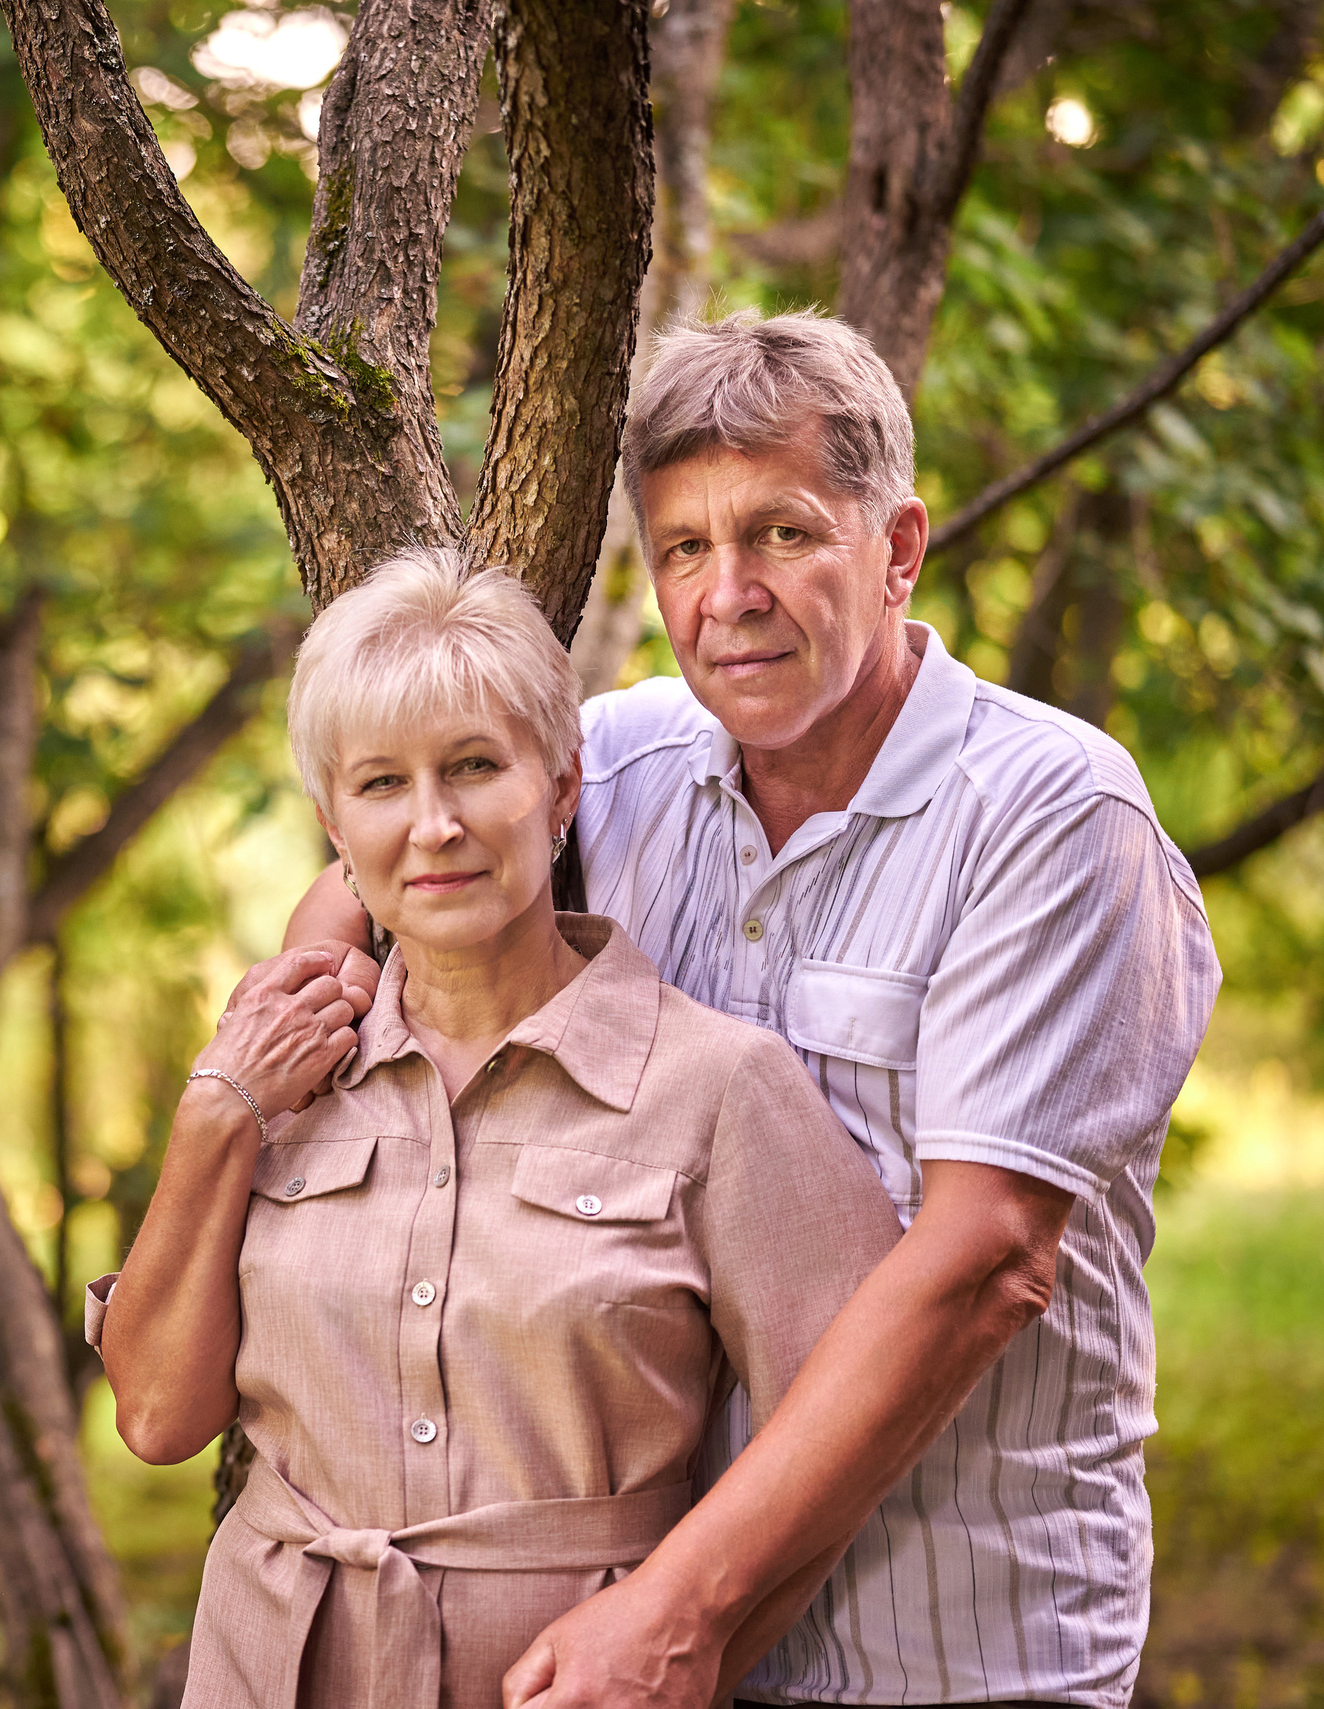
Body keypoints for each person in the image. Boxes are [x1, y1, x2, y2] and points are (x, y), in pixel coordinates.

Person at [283, 310, 1222, 1709]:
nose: (729, 593)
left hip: (953, 1643)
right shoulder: (623, 762)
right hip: (671, 1649)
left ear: (897, 548)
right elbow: (393, 863)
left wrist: (679, 1606)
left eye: (783, 534)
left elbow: (986, 1260)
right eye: (684, 548)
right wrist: (300, 999)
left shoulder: (1051, 816)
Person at [90, 554, 904, 1708]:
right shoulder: (280, 1070)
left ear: (562, 788)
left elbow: (847, 1440)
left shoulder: (720, 1088)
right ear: (335, 824)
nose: (434, 825)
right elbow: (160, 1415)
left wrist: (694, 1640)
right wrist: (216, 1109)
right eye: (381, 784)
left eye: (475, 767)